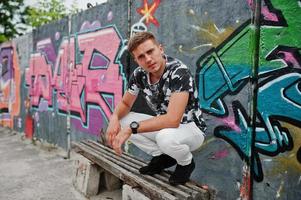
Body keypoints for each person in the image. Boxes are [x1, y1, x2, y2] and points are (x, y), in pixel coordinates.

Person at [106, 31, 206, 186]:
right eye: (141, 57)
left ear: (160, 49)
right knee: (123, 119)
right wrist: (114, 118)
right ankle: (162, 157)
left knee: (164, 137)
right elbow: (125, 104)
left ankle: (186, 163)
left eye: (150, 51)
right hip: (165, 126)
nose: (148, 59)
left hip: (191, 128)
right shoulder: (139, 74)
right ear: (136, 60)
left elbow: (173, 120)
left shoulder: (179, 72)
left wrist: (131, 129)